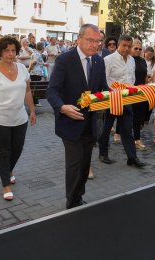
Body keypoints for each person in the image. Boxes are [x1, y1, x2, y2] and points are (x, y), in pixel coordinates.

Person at [47, 24, 109, 209]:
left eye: (98, 41)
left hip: (91, 124)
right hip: (70, 123)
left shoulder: (98, 61)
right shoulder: (65, 60)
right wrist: (62, 107)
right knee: (74, 166)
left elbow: (103, 89)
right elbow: (52, 91)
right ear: (79, 39)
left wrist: (122, 95)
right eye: (90, 40)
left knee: (84, 165)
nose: (95, 45)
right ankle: (72, 203)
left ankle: (78, 197)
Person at [0, 36, 36, 201]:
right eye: (7, 50)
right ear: (0, 52)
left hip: (20, 117)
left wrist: (32, 110)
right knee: (4, 152)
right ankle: (5, 184)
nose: (11, 54)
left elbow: (27, 91)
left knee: (17, 149)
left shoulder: (22, 68)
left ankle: (9, 170)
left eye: (13, 50)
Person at [98, 34, 146, 168]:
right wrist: (110, 94)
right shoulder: (108, 60)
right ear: (119, 44)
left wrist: (132, 92)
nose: (127, 48)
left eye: (129, 46)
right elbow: (104, 80)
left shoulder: (131, 60)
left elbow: (131, 80)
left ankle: (132, 157)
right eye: (124, 45)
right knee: (107, 128)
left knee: (127, 129)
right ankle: (103, 153)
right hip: (112, 99)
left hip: (127, 99)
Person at [130, 39, 148, 151]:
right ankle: (133, 138)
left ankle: (136, 138)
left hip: (141, 92)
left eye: (140, 49)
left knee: (139, 117)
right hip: (129, 92)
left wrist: (147, 89)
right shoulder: (128, 60)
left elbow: (145, 77)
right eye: (135, 48)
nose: (138, 50)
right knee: (127, 117)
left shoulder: (143, 60)